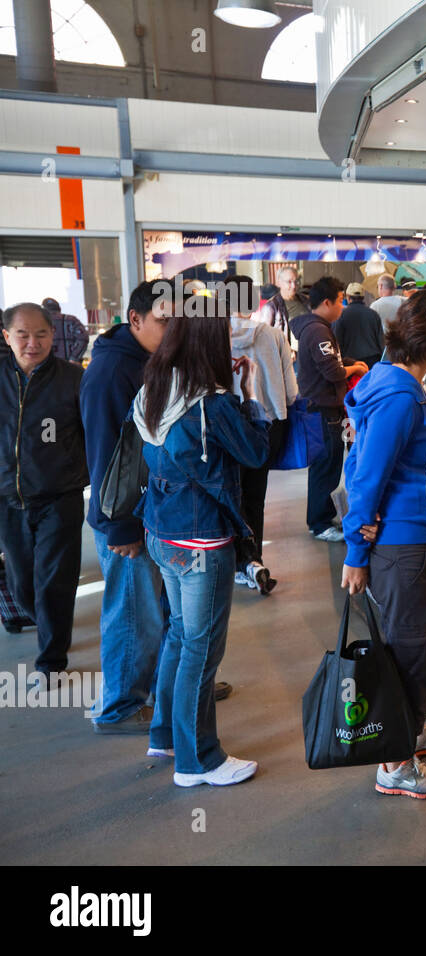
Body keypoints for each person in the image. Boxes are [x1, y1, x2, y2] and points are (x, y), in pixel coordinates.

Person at [340, 289, 426, 799]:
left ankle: (409, 734)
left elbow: (360, 463)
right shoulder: (400, 396)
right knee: (413, 651)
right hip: (404, 543)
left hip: (400, 537)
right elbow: (369, 473)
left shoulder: (386, 381)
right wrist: (355, 546)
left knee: (411, 644)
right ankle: (397, 763)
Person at [132, 311, 269, 787]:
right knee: (200, 649)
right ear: (211, 346)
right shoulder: (213, 405)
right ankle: (198, 761)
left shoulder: (155, 387)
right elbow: (256, 453)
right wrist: (248, 393)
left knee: (179, 635)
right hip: (201, 540)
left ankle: (165, 734)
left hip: (160, 530)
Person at [81, 281, 173, 732]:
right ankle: (119, 705)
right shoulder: (112, 372)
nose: (172, 328)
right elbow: (103, 453)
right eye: (163, 319)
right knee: (133, 611)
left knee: (155, 608)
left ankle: (165, 684)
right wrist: (120, 526)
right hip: (124, 517)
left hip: (148, 511)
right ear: (134, 320)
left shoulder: (149, 361)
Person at [0, 303, 88, 681]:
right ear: (7, 337)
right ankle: (51, 626)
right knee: (22, 583)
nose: (32, 343)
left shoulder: (74, 379)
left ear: (53, 336)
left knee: (55, 579)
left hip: (59, 497)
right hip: (8, 497)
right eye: (22, 334)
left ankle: (51, 660)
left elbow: (93, 435)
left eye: (41, 334)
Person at [226, 275, 298, 592]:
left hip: (228, 425)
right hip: (269, 424)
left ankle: (238, 562)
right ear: (254, 303)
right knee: (256, 496)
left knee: (229, 494)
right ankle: (253, 559)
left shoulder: (213, 338)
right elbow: (292, 392)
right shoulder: (274, 336)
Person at [289, 277, 368, 542]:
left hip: (322, 408)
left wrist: (349, 361)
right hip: (323, 410)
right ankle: (320, 523)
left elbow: (331, 361)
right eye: (340, 300)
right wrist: (356, 368)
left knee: (328, 464)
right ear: (327, 302)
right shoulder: (318, 330)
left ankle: (321, 517)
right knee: (326, 465)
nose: (343, 306)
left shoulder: (318, 328)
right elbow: (333, 371)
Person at [333, 282, 385, 370]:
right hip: (373, 361)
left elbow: (337, 340)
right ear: (363, 297)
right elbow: (381, 341)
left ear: (348, 297)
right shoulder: (373, 314)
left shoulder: (341, 315)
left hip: (351, 362)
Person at [254, 266, 310, 340]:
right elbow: (263, 336)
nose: (293, 286)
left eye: (296, 281)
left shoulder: (305, 300)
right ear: (279, 283)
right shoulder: (271, 307)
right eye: (289, 282)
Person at [41, 298, 89, 364]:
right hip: (69, 367)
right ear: (59, 308)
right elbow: (83, 338)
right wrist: (74, 358)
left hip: (46, 367)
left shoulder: (39, 322)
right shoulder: (71, 320)